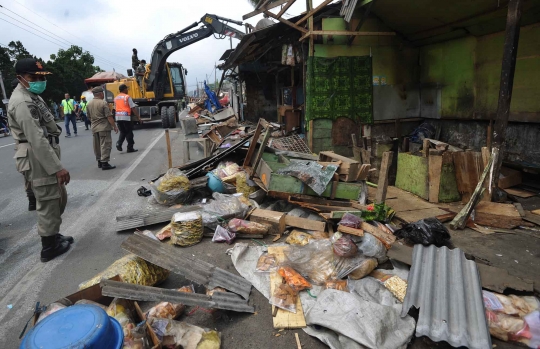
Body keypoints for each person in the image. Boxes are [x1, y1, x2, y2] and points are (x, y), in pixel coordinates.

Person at [7, 57, 74, 262]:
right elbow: (36, 138)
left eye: (40, 76)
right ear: (20, 78)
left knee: (57, 196)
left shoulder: (32, 95)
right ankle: (49, 247)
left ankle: (53, 234)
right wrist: (57, 167)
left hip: (43, 151)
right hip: (36, 155)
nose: (38, 80)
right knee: (47, 199)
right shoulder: (22, 101)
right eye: (33, 77)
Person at [87, 86, 118, 170]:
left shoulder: (89, 103)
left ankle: (99, 162)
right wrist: (114, 126)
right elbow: (109, 116)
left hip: (94, 128)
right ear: (101, 94)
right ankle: (105, 163)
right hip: (103, 127)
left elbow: (89, 117)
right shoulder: (103, 103)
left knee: (97, 146)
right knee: (105, 145)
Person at [114, 84, 140, 153]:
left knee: (123, 131)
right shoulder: (127, 97)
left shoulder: (116, 98)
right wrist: (138, 117)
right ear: (124, 89)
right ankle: (130, 148)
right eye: (126, 89)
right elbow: (133, 108)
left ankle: (119, 144)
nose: (127, 90)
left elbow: (115, 108)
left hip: (118, 117)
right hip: (126, 117)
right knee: (129, 132)